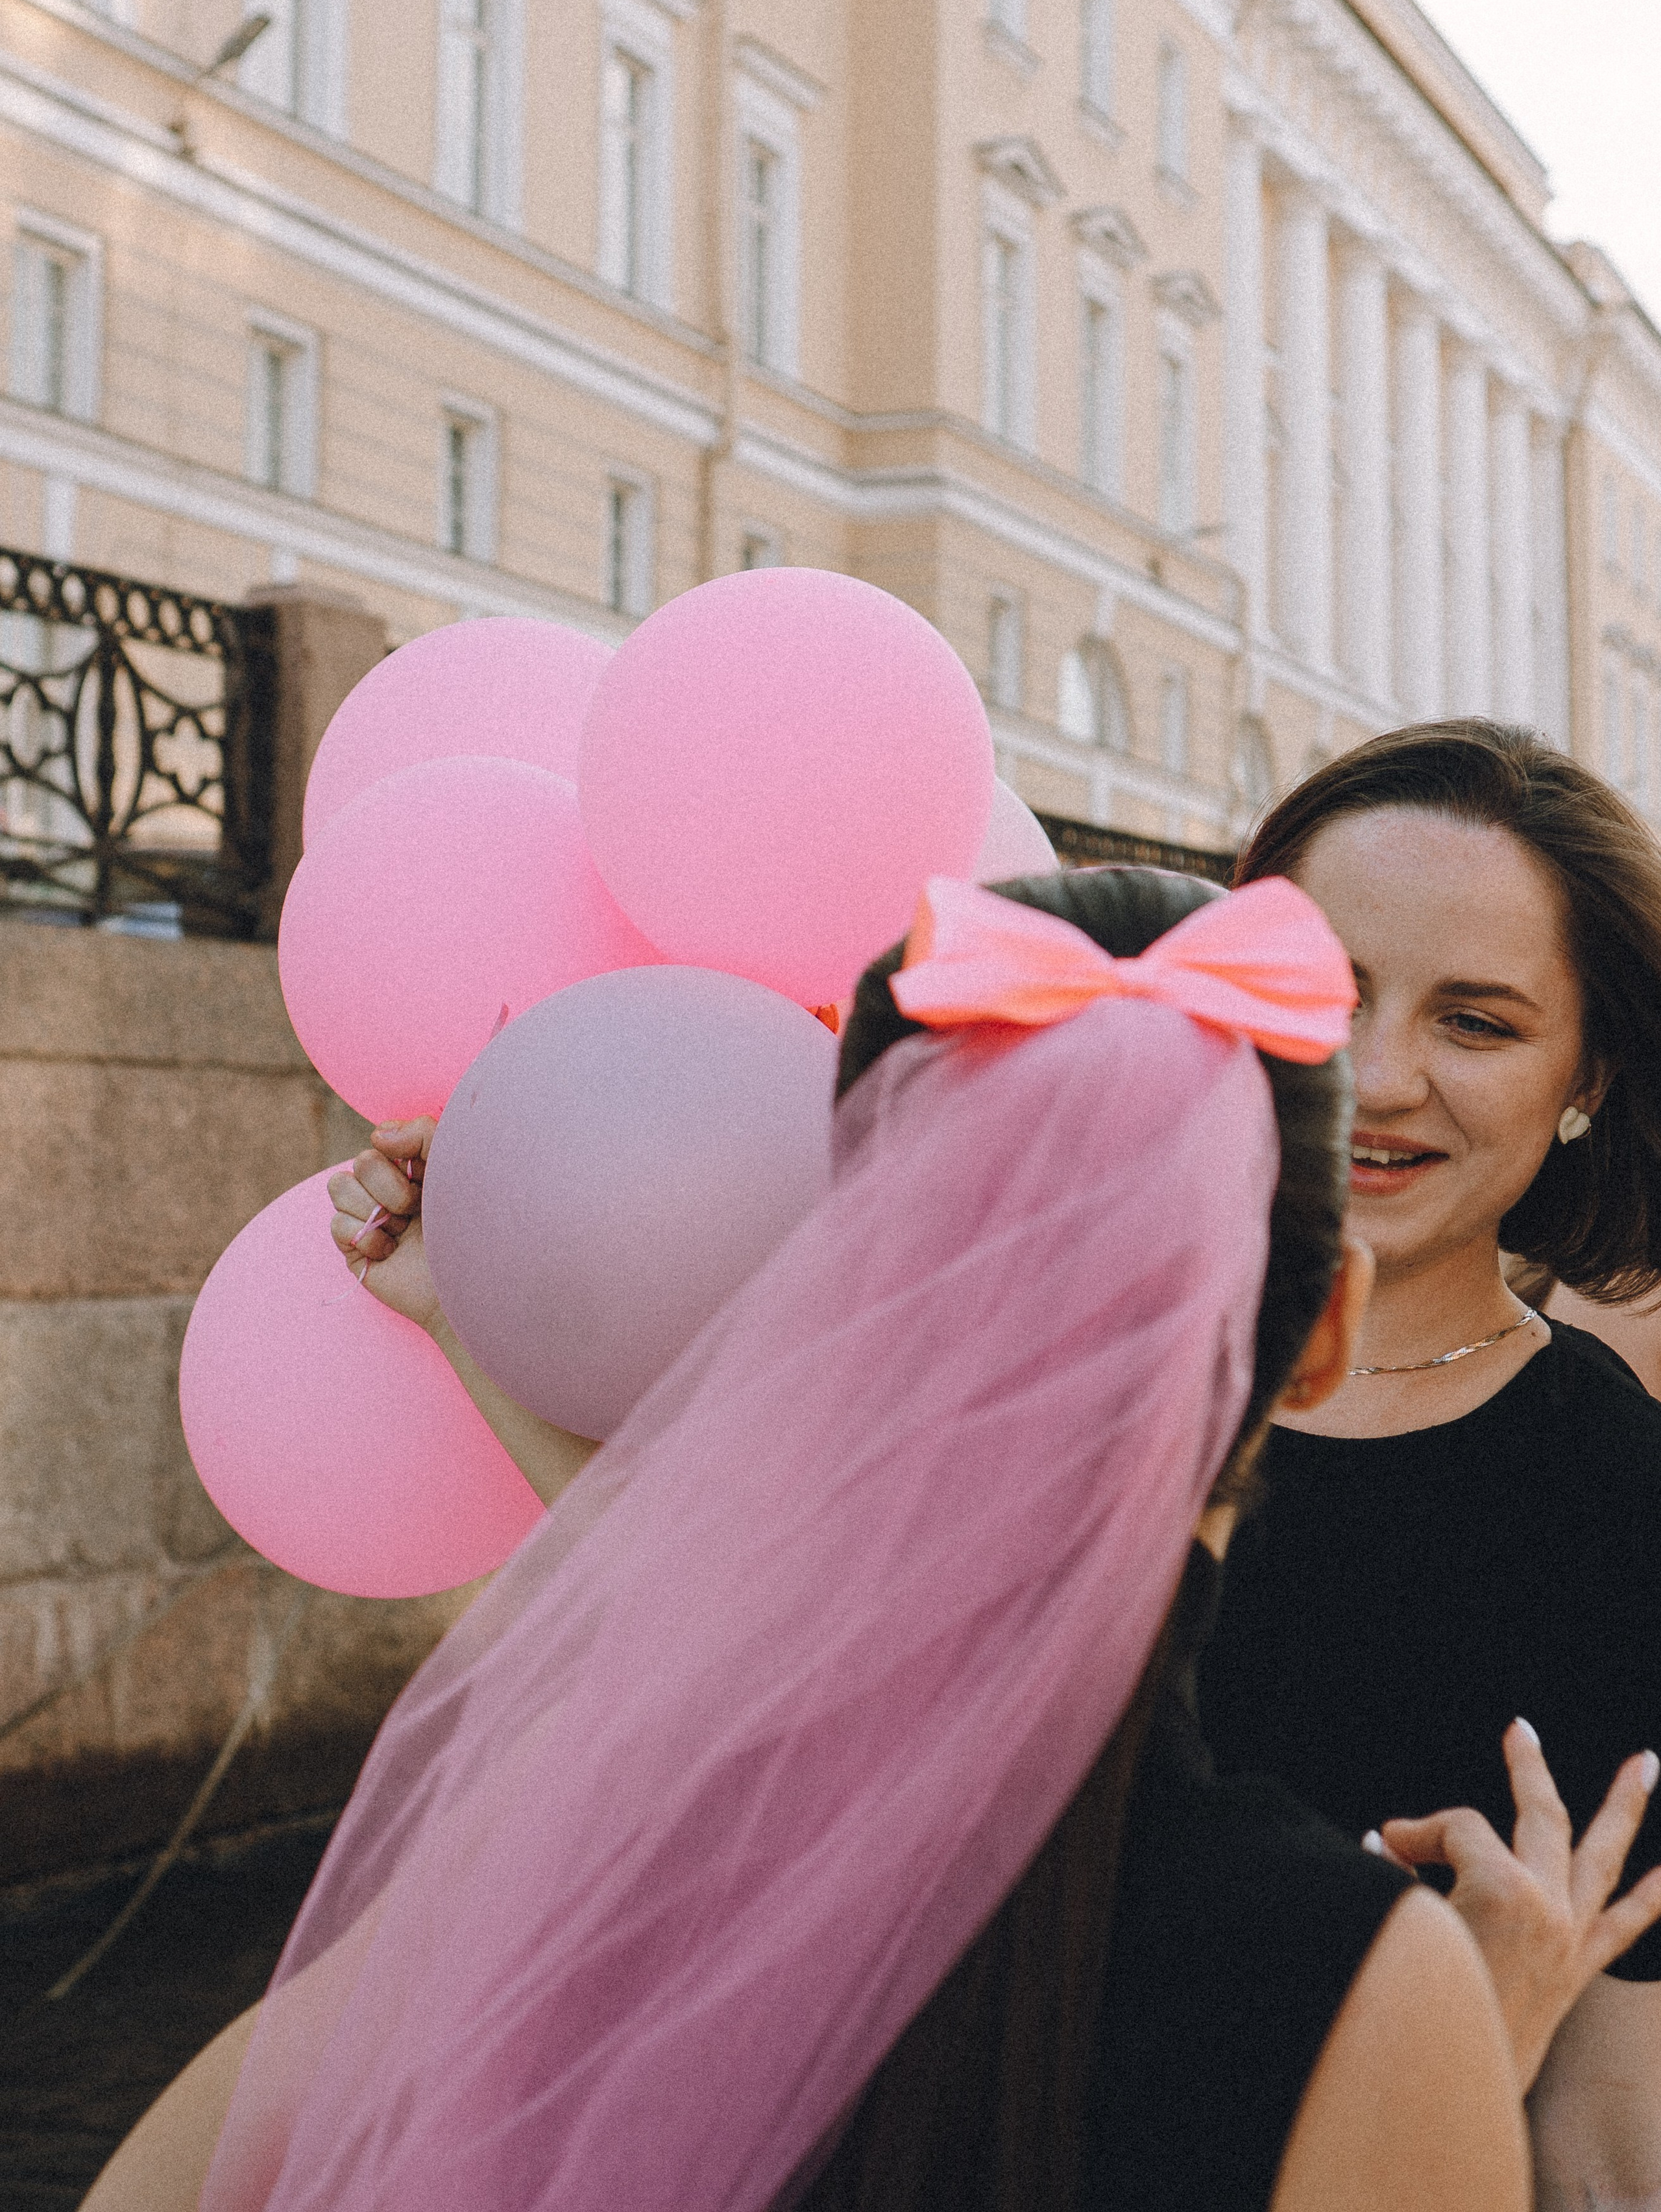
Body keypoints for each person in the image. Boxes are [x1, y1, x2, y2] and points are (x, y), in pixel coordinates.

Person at [84, 864, 1658, 2212]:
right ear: (1319, 1333)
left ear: (853, 1293)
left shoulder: (576, 1850)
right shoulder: (1352, 1995)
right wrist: (1465, 2043)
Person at [1197, 719, 1661, 2208]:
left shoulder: (1614, 1503)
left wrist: (1462, 2033)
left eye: (1474, 1022)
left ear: (1585, 1077)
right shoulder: (1055, 1381)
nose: (1374, 1074)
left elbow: (1603, 2143)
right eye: (1323, 994)